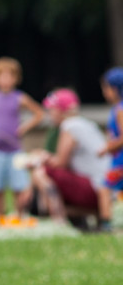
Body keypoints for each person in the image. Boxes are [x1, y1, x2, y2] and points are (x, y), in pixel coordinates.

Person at [30, 88, 113, 232]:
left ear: (62, 110)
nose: (49, 114)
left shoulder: (70, 125)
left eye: (52, 109)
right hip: (104, 191)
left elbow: (61, 163)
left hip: (94, 190)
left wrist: (42, 158)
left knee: (40, 172)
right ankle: (78, 220)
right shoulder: (86, 123)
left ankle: (58, 219)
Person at [0, 57, 45, 219]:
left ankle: (19, 215)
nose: (6, 80)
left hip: (15, 149)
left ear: (16, 78)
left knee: (18, 186)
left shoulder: (19, 97)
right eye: (2, 76)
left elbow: (39, 113)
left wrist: (23, 127)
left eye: (10, 76)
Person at [98, 67, 123, 192]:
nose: (104, 92)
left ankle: (105, 213)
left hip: (120, 161)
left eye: (106, 88)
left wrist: (107, 148)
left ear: (116, 88)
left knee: (104, 190)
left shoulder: (120, 110)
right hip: (117, 159)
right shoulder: (117, 108)